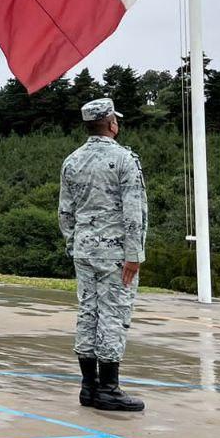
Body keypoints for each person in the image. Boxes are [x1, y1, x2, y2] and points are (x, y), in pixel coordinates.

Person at [58, 97, 149, 413]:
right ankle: (108, 388)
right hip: (115, 254)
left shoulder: (72, 161)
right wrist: (134, 253)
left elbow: (65, 212)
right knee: (113, 313)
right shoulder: (124, 160)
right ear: (111, 123)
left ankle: (88, 386)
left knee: (88, 312)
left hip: (84, 250)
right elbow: (133, 211)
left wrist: (75, 245)